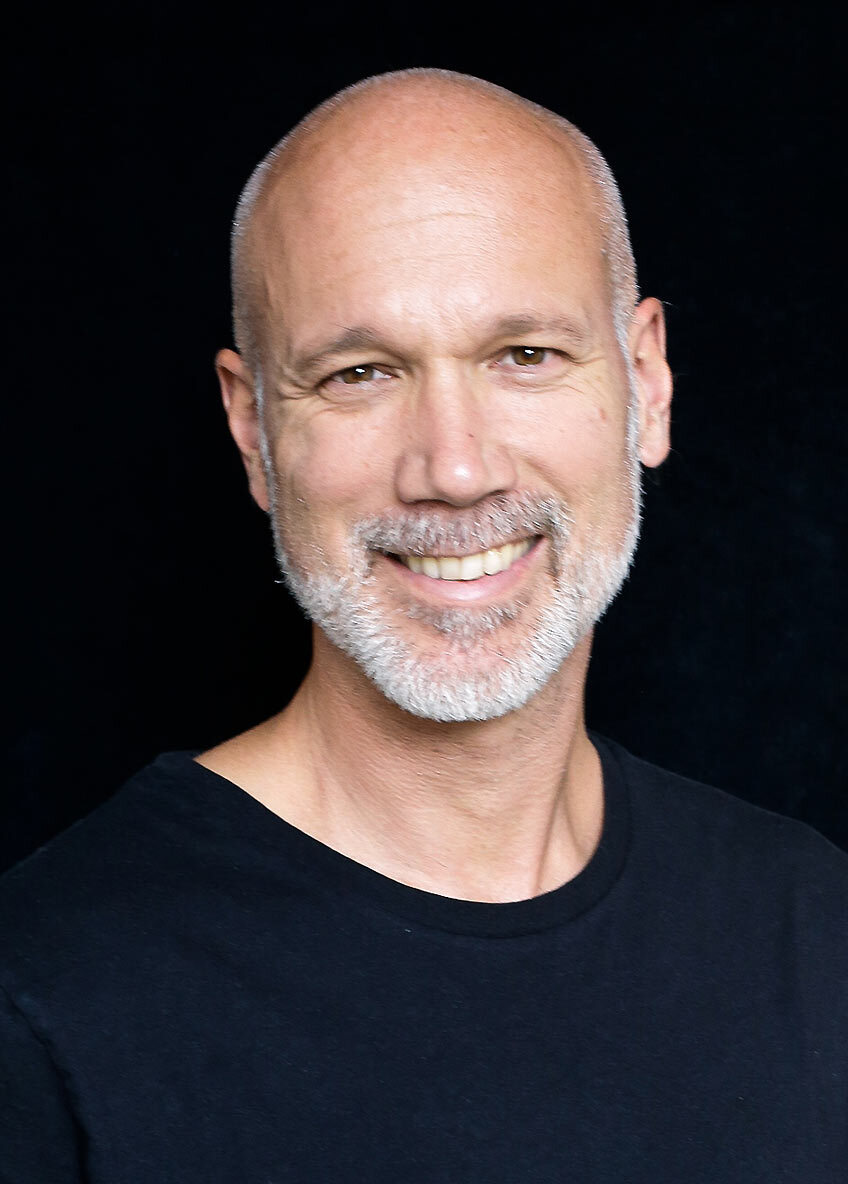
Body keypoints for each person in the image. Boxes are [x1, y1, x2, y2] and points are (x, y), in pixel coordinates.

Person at [1, 68, 845, 1182]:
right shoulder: (42, 1001)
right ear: (252, 430)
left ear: (646, 380)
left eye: (525, 356)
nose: (453, 467)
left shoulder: (813, 926)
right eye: (360, 373)